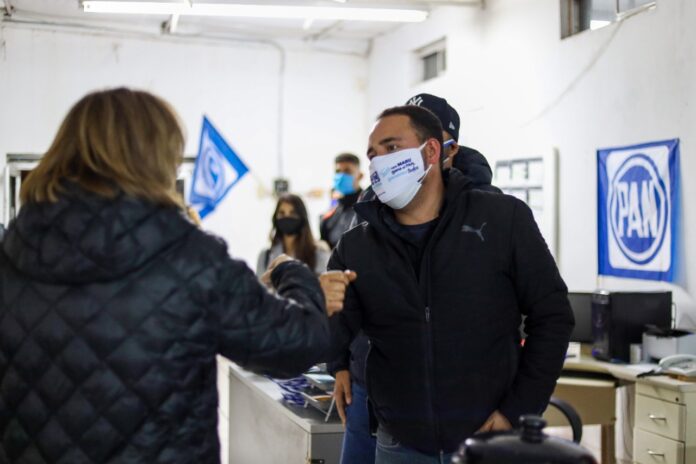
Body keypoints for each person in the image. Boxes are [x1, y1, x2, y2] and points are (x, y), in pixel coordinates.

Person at [0, 88, 331, 464]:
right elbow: (298, 344)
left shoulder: (11, 252)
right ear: (156, 158)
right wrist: (291, 271)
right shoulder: (191, 258)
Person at [322, 105, 574, 463]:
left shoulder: (502, 219)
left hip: (491, 438)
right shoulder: (357, 246)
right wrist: (313, 303)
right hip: (400, 444)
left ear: (431, 151)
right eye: (373, 155)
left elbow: (553, 316)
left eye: (392, 148)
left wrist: (516, 410)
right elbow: (329, 335)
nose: (380, 163)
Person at [332, 94, 501, 464]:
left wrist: (512, 398)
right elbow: (349, 290)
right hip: (366, 379)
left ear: (446, 148)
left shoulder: (486, 212)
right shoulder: (371, 205)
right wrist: (339, 362)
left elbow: (523, 307)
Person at [256, 193, 331, 276]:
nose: (286, 217)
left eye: (292, 213)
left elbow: (323, 282)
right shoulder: (265, 256)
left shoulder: (319, 253)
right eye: (281, 213)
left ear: (302, 218)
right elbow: (260, 283)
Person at [320, 153, 364, 249]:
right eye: (338, 171)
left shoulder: (368, 208)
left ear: (360, 176)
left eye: (347, 171)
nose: (341, 176)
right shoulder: (331, 213)